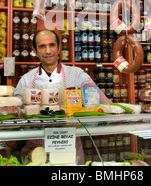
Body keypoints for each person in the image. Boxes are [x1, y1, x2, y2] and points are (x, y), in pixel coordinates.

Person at [15, 29, 111, 164]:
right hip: (36, 152)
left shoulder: (77, 74)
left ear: (59, 48)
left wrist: (118, 110)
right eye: (42, 46)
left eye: (52, 45)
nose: (48, 51)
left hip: (69, 148)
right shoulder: (25, 80)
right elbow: (15, 113)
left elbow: (102, 101)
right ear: (35, 51)